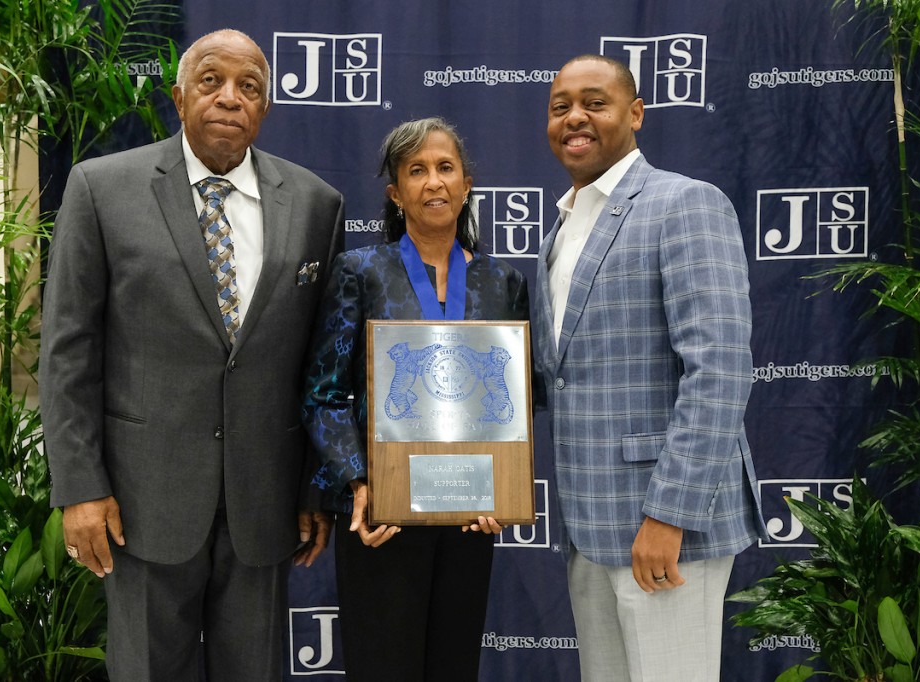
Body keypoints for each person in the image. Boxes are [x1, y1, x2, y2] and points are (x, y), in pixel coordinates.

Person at [39, 28, 345, 681]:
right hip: (141, 502)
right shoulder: (101, 189)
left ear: (265, 108)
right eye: (211, 81)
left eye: (249, 87)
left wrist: (315, 486)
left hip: (263, 505)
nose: (229, 98)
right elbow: (67, 352)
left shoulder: (318, 206)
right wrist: (81, 489)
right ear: (179, 97)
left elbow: (323, 365)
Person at [532, 55, 767, 681]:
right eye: (560, 107)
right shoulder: (559, 229)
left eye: (594, 102)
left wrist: (670, 516)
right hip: (588, 523)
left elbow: (718, 369)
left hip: (663, 529)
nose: (574, 117)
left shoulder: (685, 204)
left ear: (634, 114)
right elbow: (559, 373)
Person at [301, 117, 528, 681]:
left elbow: (514, 401)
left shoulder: (504, 282)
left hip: (472, 513)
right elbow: (324, 392)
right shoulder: (360, 271)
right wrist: (359, 484)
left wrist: (505, 486)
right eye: (417, 171)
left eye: (445, 168)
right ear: (395, 193)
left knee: (454, 668)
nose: (434, 182)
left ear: (467, 184)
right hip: (383, 512)